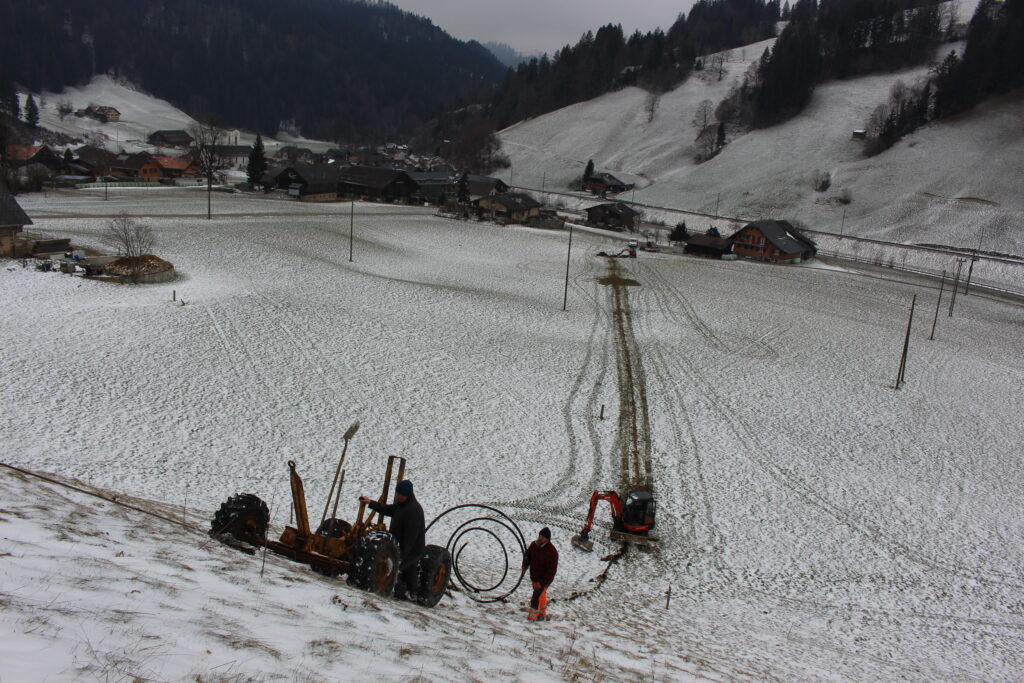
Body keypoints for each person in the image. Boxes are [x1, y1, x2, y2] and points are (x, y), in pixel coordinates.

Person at [359, 479, 425, 600]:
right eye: (397, 493)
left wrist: (401, 555)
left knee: (405, 568)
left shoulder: (414, 510)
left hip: (412, 550)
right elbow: (387, 509)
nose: (397, 496)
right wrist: (371, 503)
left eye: (400, 494)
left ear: (407, 495)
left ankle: (412, 593)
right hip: (398, 545)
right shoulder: (401, 505)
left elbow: (411, 538)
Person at [522, 527, 558, 621]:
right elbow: (527, 556)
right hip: (534, 577)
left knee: (536, 598)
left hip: (544, 580)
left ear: (547, 539)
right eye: (539, 535)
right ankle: (541, 614)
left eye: (542, 536)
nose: (540, 538)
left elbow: (551, 571)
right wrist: (524, 566)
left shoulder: (552, 552)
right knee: (541, 595)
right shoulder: (534, 545)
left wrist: (541, 583)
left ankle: (531, 619)